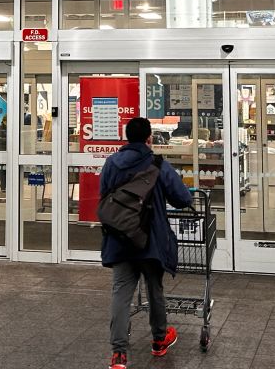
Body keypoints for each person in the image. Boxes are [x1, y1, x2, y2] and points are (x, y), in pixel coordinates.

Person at [100, 117, 192, 369]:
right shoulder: (158, 164)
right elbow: (183, 198)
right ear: (149, 138)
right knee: (154, 290)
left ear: (126, 137)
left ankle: (118, 354)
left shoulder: (111, 163)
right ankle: (159, 340)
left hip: (120, 238)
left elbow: (104, 196)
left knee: (121, 293)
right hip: (150, 240)